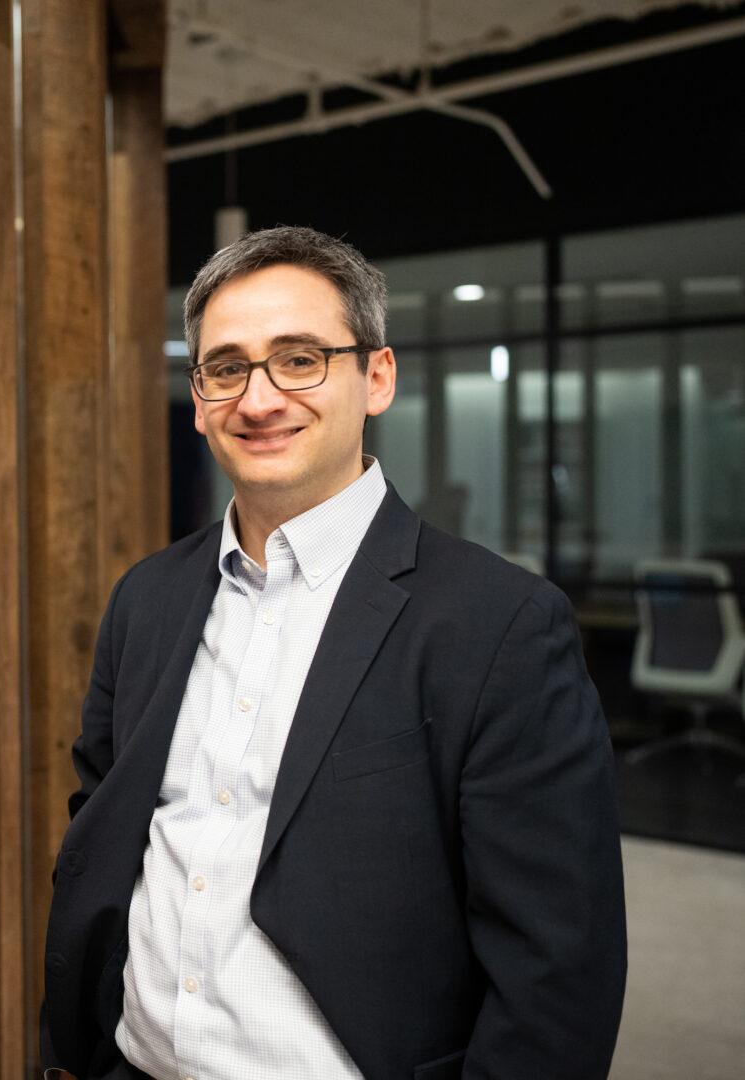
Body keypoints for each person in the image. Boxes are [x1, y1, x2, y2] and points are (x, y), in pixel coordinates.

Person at [40, 226, 626, 1080]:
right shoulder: (149, 599)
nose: (260, 398)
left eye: (300, 358)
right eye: (227, 367)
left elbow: (557, 973)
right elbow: (103, 829)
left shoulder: (498, 625)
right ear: (200, 397)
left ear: (376, 377)